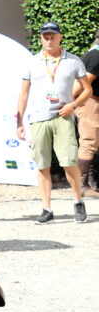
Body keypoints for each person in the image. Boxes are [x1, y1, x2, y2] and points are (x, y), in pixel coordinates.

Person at [16, 21, 92, 223]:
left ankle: (77, 201)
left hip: (63, 117)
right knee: (42, 165)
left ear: (60, 37)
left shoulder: (74, 61)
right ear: (41, 38)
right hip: (39, 119)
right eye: (45, 37)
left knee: (69, 162)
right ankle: (46, 208)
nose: (49, 40)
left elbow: (88, 90)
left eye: (52, 36)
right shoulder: (32, 62)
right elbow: (23, 94)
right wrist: (19, 122)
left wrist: (73, 106)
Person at [75, 28, 99, 198]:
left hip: (93, 101)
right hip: (90, 102)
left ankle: (89, 183)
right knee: (89, 142)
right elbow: (82, 84)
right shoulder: (96, 56)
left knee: (93, 142)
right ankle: (81, 185)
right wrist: (70, 103)